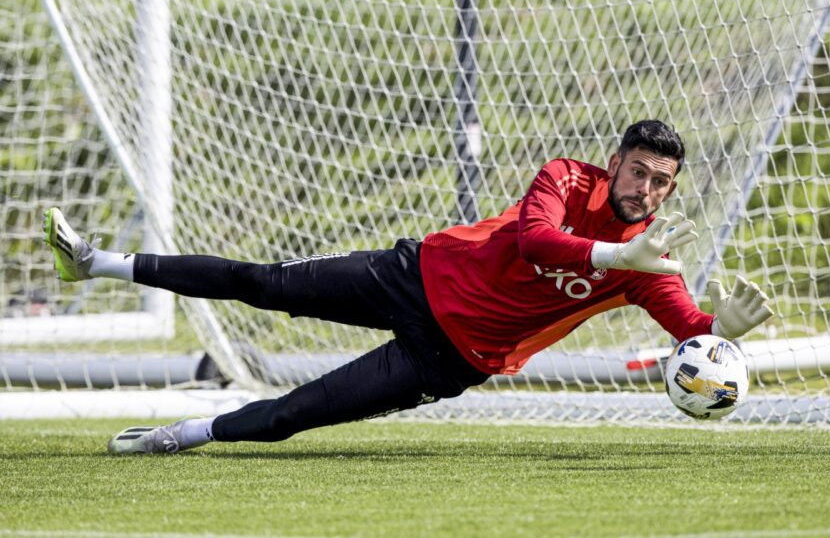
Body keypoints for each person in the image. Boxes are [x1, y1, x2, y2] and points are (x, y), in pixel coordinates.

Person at [44, 120, 773, 454]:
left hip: (451, 359)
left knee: (291, 417)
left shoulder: (650, 265)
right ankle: (96, 260)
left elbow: (691, 332)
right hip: (412, 277)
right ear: (613, 164)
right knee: (259, 281)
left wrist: (721, 331)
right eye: (638, 171)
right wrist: (619, 258)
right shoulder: (564, 176)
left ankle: (181, 436)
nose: (646, 188)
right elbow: (532, 239)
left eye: (661, 182)